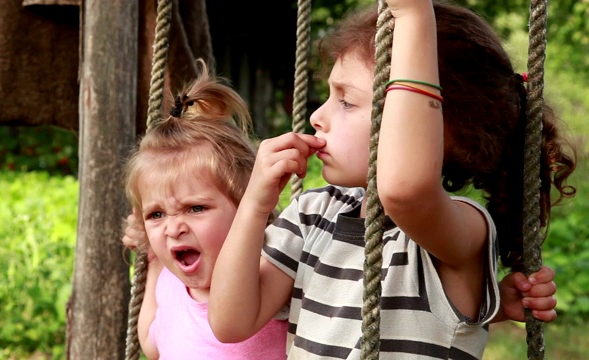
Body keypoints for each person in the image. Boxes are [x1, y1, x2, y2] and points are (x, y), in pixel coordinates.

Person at [208, 0, 576, 359]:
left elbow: (404, 190)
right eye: (328, 96)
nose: (317, 116)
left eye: (347, 102)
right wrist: (255, 207)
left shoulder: (462, 232)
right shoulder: (312, 214)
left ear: (438, 125)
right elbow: (230, 322)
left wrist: (414, 14)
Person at [121, 59, 288, 359]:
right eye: (156, 215)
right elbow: (151, 342)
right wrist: (153, 263)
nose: (173, 228)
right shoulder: (169, 284)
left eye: (195, 208)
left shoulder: (271, 279)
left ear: (246, 206)